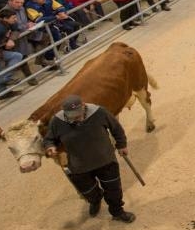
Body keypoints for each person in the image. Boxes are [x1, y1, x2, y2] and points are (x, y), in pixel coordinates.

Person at [43, 95, 136, 223]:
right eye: (72, 115)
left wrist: (121, 145)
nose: (77, 117)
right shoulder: (57, 121)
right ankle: (95, 200)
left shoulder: (99, 112)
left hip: (105, 160)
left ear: (84, 105)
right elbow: (49, 139)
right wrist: (50, 146)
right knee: (88, 191)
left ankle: (117, 212)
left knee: (113, 189)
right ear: (64, 112)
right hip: (79, 166)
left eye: (78, 113)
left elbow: (116, 128)